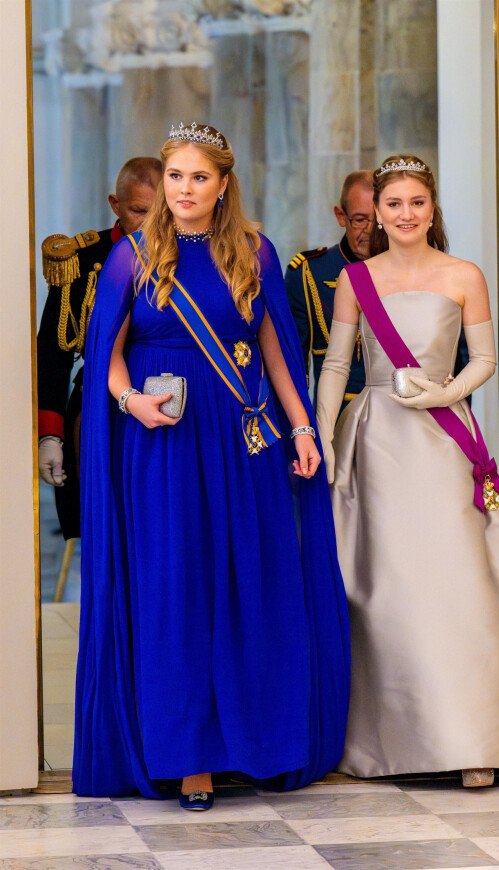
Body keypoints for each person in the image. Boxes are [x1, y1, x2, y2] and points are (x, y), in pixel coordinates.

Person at [73, 122, 350, 807]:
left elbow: (277, 351)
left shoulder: (254, 252)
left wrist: (304, 426)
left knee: (245, 583)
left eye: (200, 177)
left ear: (224, 184)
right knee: (177, 589)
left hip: (239, 440)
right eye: (175, 177)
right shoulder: (130, 257)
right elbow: (104, 352)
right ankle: (189, 755)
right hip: (161, 441)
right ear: (162, 185)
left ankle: (253, 741)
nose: (186, 190)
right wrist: (131, 399)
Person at [317, 154, 499, 786]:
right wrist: (325, 435)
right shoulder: (357, 280)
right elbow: (335, 365)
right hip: (379, 438)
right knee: (390, 592)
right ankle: (396, 744)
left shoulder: (464, 273)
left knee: (461, 586)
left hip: (443, 438)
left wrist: (446, 394)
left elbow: (486, 358)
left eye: (417, 203)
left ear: (432, 208)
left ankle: (473, 742)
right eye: (393, 205)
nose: (405, 214)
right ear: (375, 213)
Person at [37, 157, 162, 539]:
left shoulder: (187, 257)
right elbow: (54, 353)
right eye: (139, 211)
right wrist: (49, 434)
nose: (150, 223)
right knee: (105, 525)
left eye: (160, 211)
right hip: (100, 405)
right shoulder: (81, 261)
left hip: (166, 398)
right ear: (116, 205)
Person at [285, 171, 373, 410]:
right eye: (360, 219)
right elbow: (295, 364)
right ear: (341, 216)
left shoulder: (407, 271)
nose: (370, 230)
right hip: (334, 419)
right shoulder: (307, 272)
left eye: (378, 219)